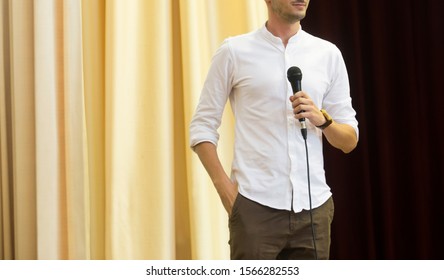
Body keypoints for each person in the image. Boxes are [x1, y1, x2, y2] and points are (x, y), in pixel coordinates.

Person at [189, 0, 358, 260]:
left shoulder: (328, 54)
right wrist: (228, 194)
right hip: (254, 208)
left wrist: (322, 119)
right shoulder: (234, 51)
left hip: (315, 210)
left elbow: (349, 140)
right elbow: (202, 128)